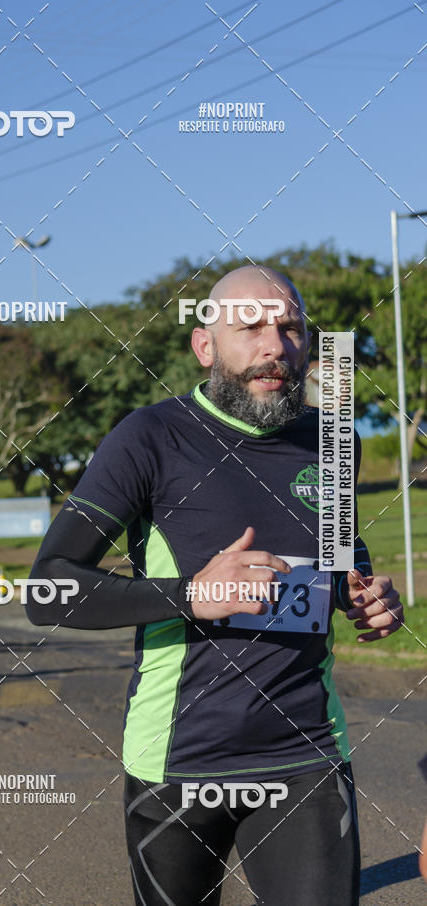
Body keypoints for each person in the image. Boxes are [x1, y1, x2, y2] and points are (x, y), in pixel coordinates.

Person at [25, 266, 404, 906]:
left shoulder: (335, 439)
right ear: (205, 346)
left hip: (305, 751)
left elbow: (341, 556)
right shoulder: (149, 437)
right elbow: (47, 589)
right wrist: (190, 596)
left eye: (290, 328)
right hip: (178, 760)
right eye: (250, 327)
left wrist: (363, 594)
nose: (274, 346)